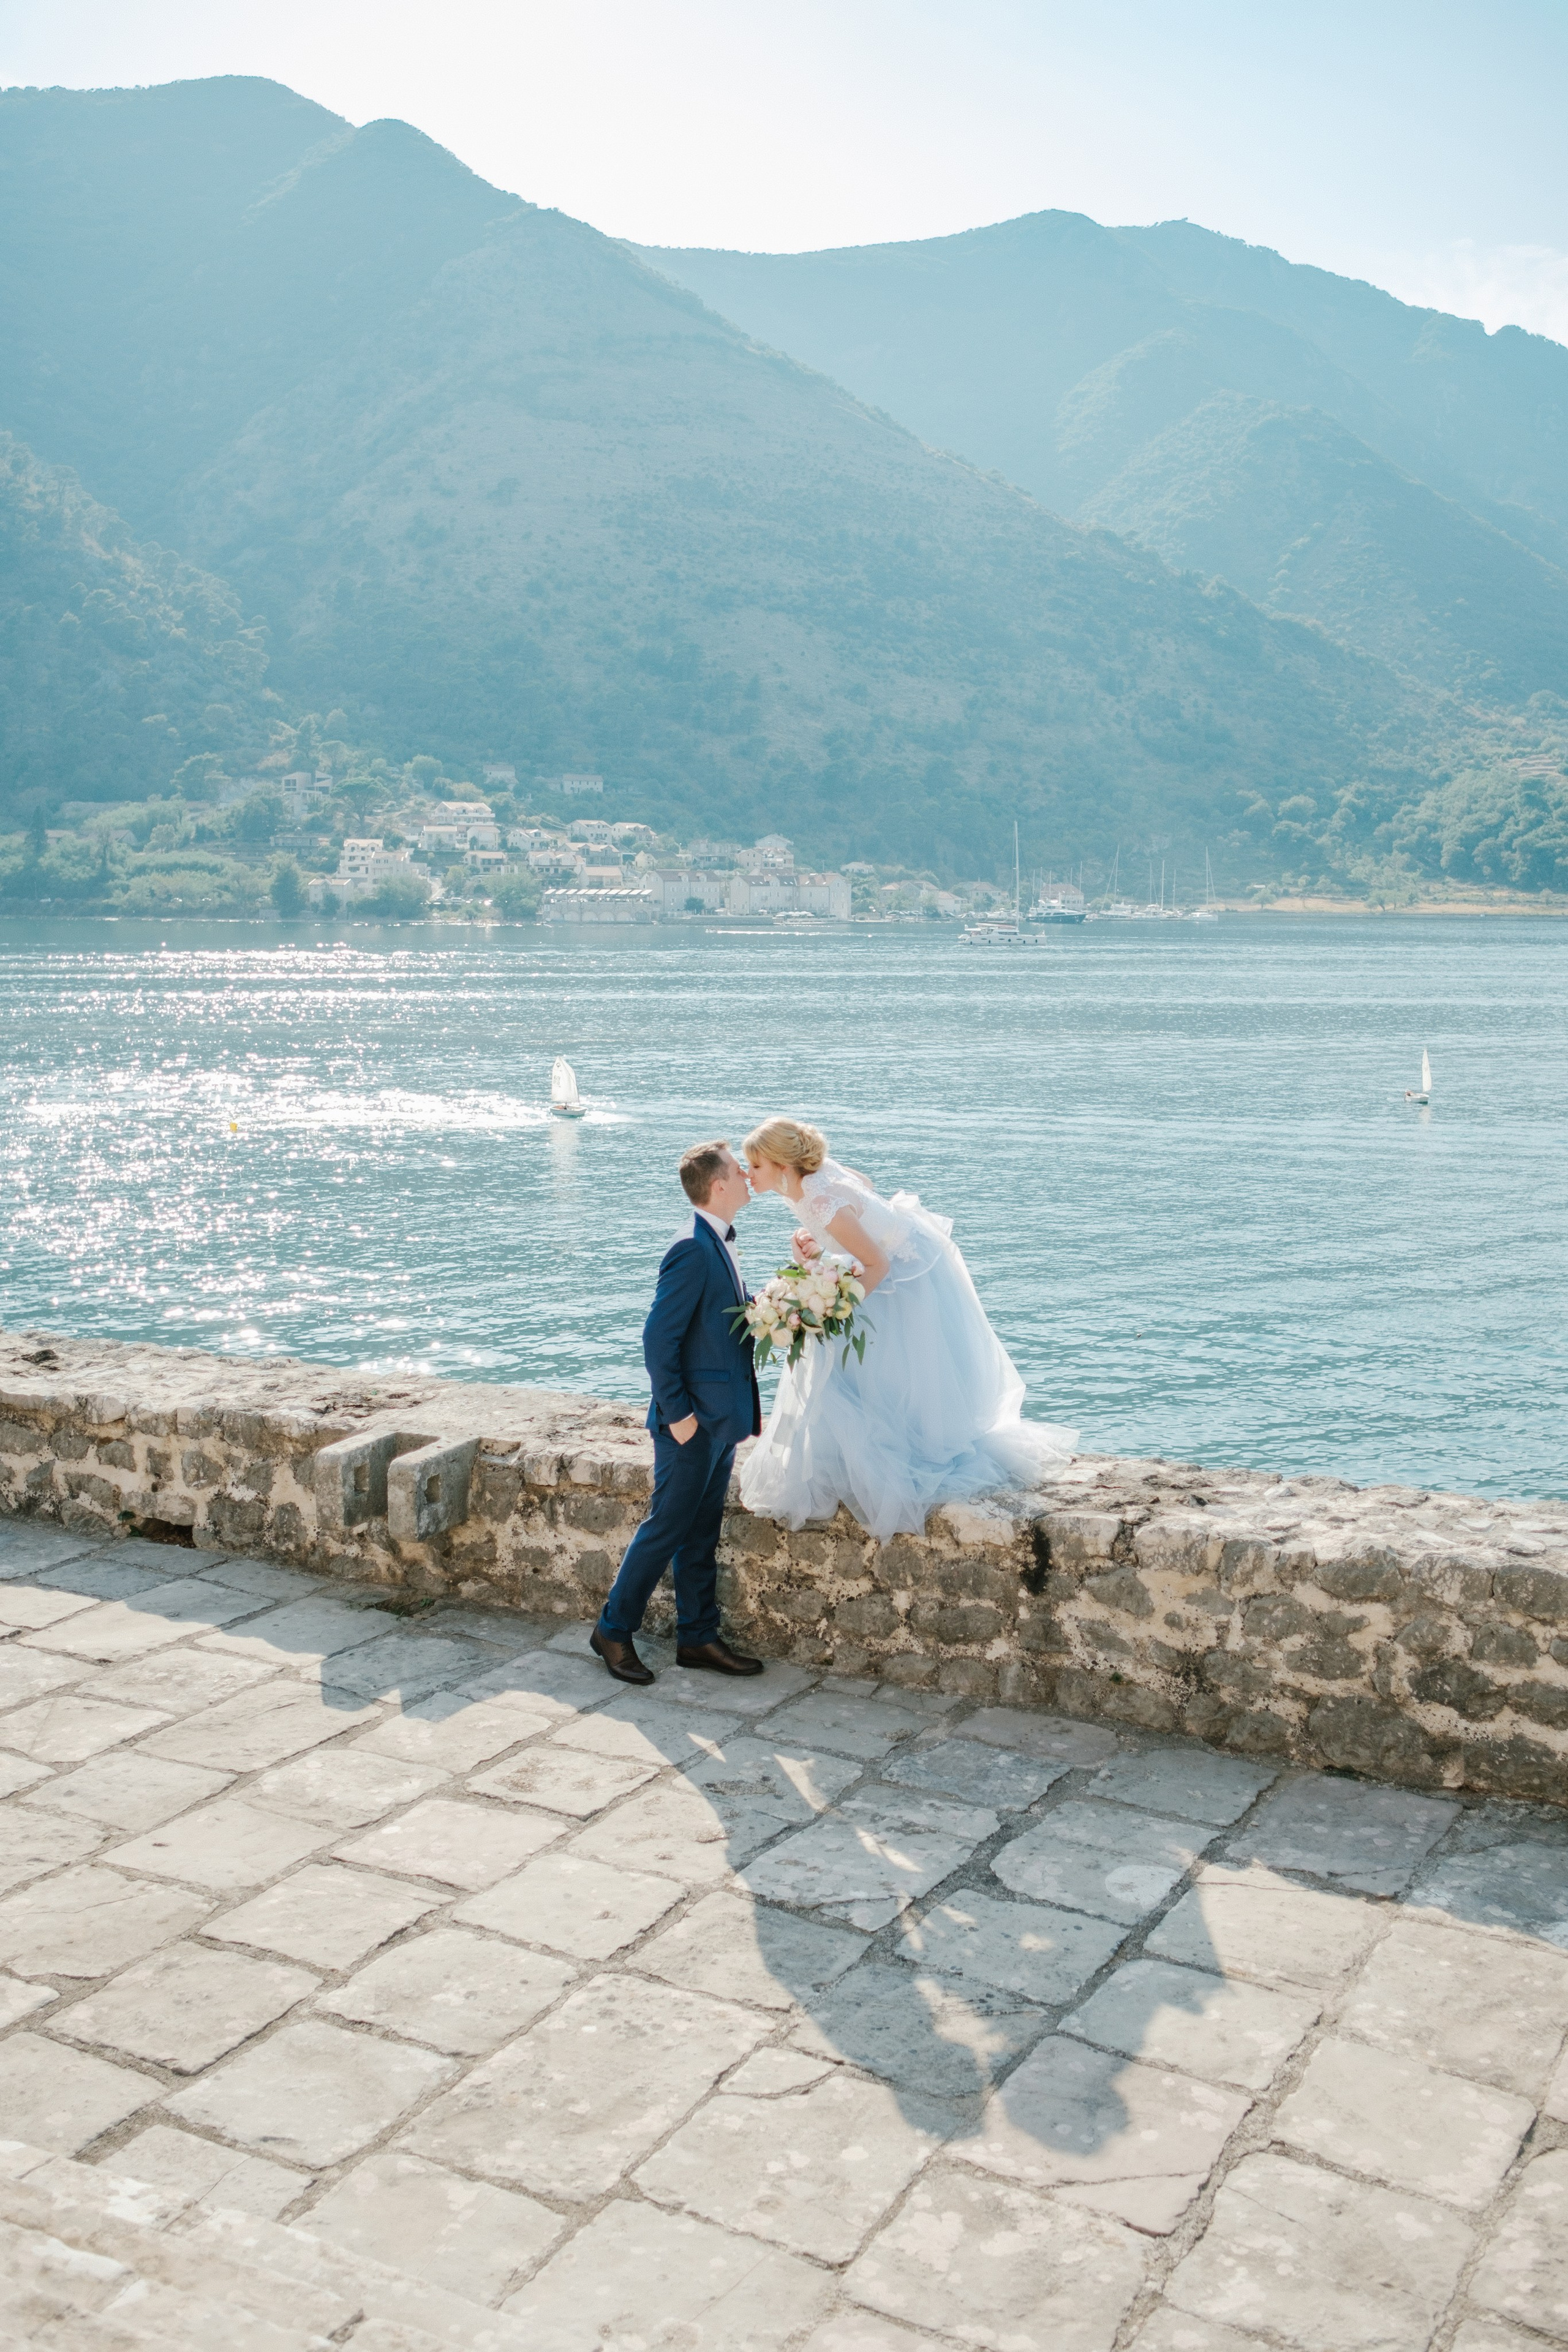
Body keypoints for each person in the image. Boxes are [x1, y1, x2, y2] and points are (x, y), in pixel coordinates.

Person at [739, 1115, 1076, 1540]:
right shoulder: (812, 1179)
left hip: (908, 1276)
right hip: (888, 1261)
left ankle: (906, 1455)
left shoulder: (820, 1200)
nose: (748, 1175)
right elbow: (864, 1183)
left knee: (873, 1361)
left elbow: (876, 1262)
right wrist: (819, 1238)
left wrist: (833, 1312)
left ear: (782, 1167)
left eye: (755, 1167)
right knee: (851, 1365)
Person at [591, 1139, 766, 1685]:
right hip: (690, 1424)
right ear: (719, 1185)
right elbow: (657, 1340)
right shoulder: (691, 1247)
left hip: (720, 1420)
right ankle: (613, 1630)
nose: (748, 1178)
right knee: (665, 1528)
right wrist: (681, 1415)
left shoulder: (718, 1241)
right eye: (740, 1171)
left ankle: (697, 1636)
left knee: (701, 1532)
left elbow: (710, 1327)